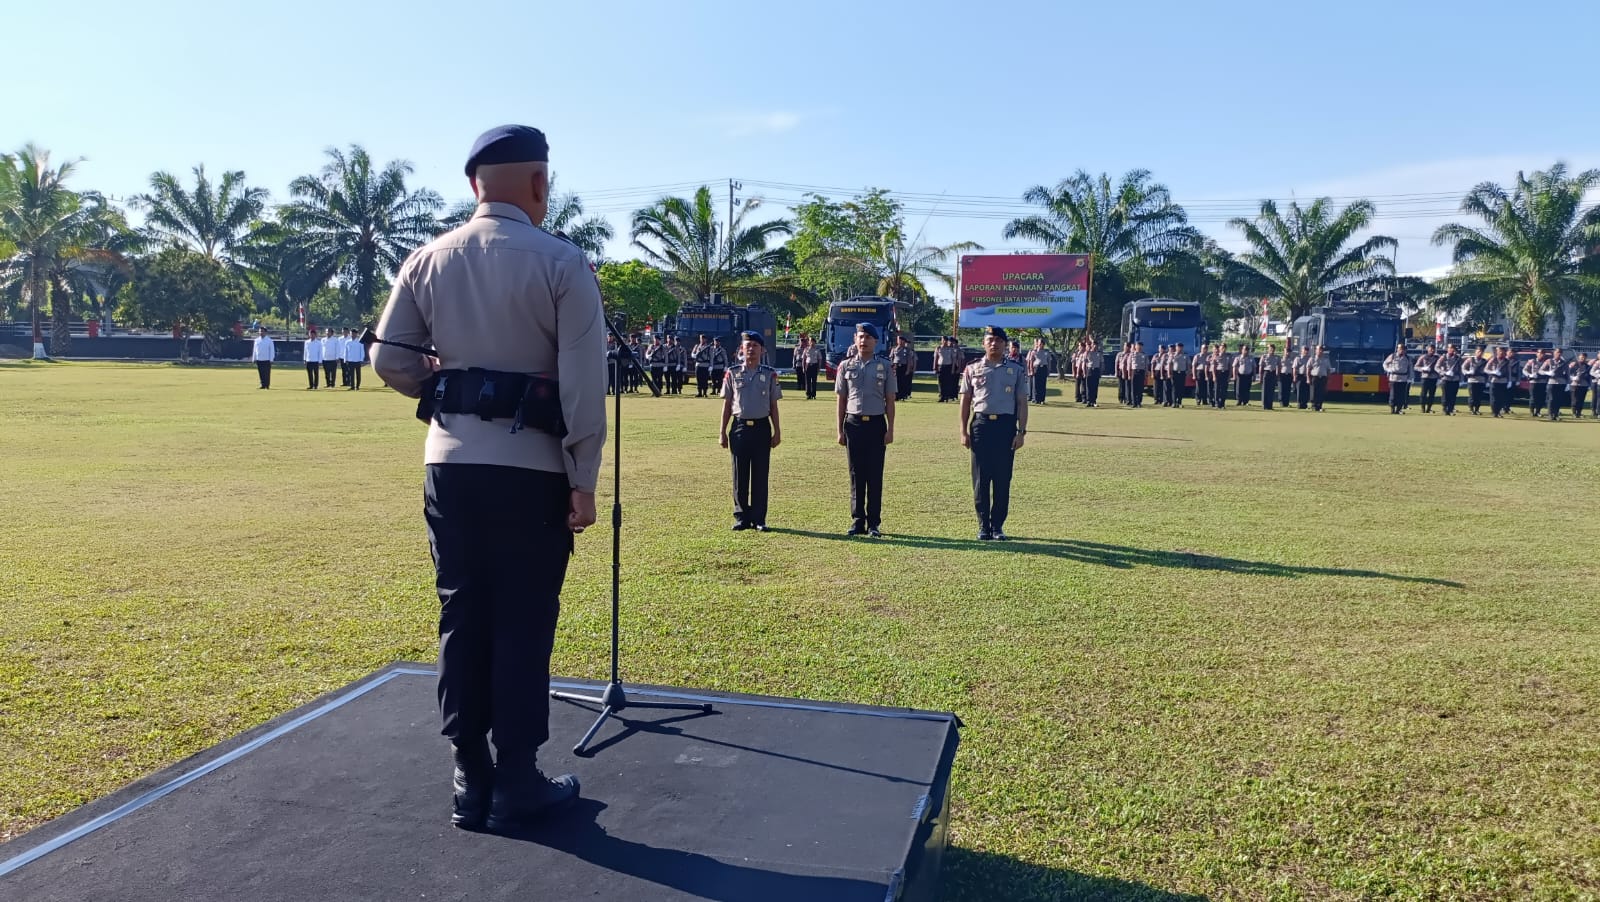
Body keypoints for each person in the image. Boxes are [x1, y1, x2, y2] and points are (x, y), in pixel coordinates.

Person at [369, 124, 605, 832]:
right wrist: (583, 478)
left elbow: (389, 358)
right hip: (531, 471)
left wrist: (447, 386)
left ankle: (468, 777)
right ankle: (518, 780)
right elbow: (582, 384)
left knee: (462, 613)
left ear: (474, 185)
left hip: (450, 466)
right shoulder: (562, 262)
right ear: (538, 183)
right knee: (524, 620)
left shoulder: (427, 258)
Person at [960, 325, 1027, 540]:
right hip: (981, 426)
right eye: (990, 339)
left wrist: (1021, 432)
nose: (994, 343)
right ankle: (983, 526)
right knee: (980, 477)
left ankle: (997, 526)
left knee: (1002, 477)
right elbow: (965, 401)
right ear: (983, 343)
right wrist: (963, 431)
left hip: (1005, 428)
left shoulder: (1016, 370)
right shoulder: (972, 368)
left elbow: (1022, 402)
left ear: (1005, 344)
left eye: (998, 340)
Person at [835, 322, 895, 537]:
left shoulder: (885, 366)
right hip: (853, 424)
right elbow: (841, 400)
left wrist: (890, 429)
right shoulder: (845, 366)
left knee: (874, 474)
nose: (864, 341)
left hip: (876, 425)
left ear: (876, 341)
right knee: (856, 473)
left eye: (868, 337)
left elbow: (890, 400)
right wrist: (839, 430)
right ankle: (858, 520)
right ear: (855, 339)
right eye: (861, 337)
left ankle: (874, 523)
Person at [720, 330, 782, 531]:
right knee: (740, 474)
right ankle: (741, 517)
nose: (752, 349)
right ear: (742, 349)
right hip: (739, 427)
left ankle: (759, 518)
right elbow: (727, 405)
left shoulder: (770, 374)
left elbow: (773, 405)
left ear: (762, 350)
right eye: (748, 345)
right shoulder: (732, 373)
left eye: (756, 346)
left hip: (762, 428)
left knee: (760, 474)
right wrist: (722, 432)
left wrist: (777, 431)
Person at [1383, 344, 1412, 414]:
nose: (1402, 351)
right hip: (1393, 378)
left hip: (1403, 379)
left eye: (1403, 349)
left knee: (1401, 395)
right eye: (1400, 349)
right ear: (1397, 349)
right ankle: (1392, 408)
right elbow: (1385, 364)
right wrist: (1388, 369)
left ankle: (1398, 409)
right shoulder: (1392, 356)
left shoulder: (1407, 358)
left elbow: (1410, 368)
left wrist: (1411, 378)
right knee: (1393, 395)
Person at [1541, 349, 1569, 421]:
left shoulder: (1564, 362)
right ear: (1554, 353)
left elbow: (1567, 373)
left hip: (1561, 383)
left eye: (1560, 353)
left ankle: (1556, 414)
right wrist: (1548, 373)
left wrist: (1568, 383)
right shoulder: (1549, 361)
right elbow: (1541, 370)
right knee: (1551, 399)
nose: (1559, 354)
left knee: (1558, 399)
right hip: (1552, 382)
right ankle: (1550, 414)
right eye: (1557, 352)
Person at [1436, 345, 1463, 416]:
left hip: (1455, 379)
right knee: (1445, 395)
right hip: (1446, 379)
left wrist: (1461, 379)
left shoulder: (1458, 358)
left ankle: (1451, 409)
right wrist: (1444, 372)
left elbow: (1460, 369)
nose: (1452, 350)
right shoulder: (1444, 357)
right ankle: (1445, 409)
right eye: (1450, 348)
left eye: (1453, 349)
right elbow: (1437, 367)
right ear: (1448, 349)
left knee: (1453, 396)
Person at [1026, 337, 1054, 404]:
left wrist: (1048, 370)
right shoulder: (1034, 352)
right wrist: (1031, 370)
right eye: (1039, 343)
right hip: (1036, 368)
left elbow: (1049, 362)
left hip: (1043, 368)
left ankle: (1042, 399)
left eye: (1041, 343)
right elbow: (1031, 361)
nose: (1040, 345)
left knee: (1043, 384)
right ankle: (1036, 399)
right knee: (1036, 384)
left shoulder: (1046, 352)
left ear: (1043, 344)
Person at [934, 336, 960, 402]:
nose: (944, 342)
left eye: (945, 340)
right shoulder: (938, 348)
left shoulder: (951, 349)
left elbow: (953, 360)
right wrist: (934, 367)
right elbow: (936, 358)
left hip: (948, 366)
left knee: (948, 382)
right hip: (941, 366)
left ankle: (947, 396)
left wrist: (953, 369)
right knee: (940, 382)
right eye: (943, 340)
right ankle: (942, 396)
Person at [1464, 347, 1488, 415]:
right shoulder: (1470, 359)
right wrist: (1468, 372)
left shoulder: (1484, 361)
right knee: (1472, 396)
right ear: (1475, 352)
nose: (1480, 353)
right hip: (1472, 380)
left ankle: (1477, 409)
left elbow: (1487, 370)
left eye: (1481, 352)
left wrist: (1487, 380)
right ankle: (1471, 409)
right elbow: (1463, 367)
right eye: (1478, 352)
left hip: (1481, 380)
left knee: (1479, 396)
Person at [1414, 344, 1438, 413]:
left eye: (1433, 349)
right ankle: (1423, 408)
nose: (1432, 351)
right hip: (1425, 377)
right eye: (1431, 349)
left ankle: (1429, 408)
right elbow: (1416, 367)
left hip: (1433, 377)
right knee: (1423, 393)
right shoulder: (1423, 357)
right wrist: (1423, 368)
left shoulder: (1437, 358)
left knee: (1432, 394)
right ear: (1428, 349)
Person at [892, 334, 917, 401]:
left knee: (903, 382)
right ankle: (896, 395)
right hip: (896, 366)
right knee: (896, 382)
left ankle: (902, 395)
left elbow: (909, 360)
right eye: (898, 340)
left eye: (901, 340)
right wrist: (892, 367)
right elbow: (892, 358)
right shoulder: (894, 349)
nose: (900, 342)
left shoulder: (907, 350)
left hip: (903, 366)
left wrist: (908, 369)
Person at [1081, 337, 1102, 407]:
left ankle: (1094, 401)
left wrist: (1101, 372)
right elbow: (1084, 363)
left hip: (1096, 370)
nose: (1095, 346)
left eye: (1096, 345)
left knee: (1095, 387)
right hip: (1089, 370)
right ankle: (1089, 401)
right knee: (1089, 386)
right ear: (1091, 345)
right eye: (1094, 344)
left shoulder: (1099, 353)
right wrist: (1084, 372)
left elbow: (1101, 363)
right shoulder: (1087, 353)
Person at [1259, 345, 1281, 410]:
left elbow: (1279, 366)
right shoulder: (1264, 356)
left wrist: (1277, 375)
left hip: (1273, 373)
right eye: (1270, 349)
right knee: (1265, 389)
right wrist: (1260, 377)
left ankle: (1270, 405)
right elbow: (1261, 367)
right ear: (1268, 349)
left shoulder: (1277, 357)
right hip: (1266, 373)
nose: (1272, 350)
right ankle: (1264, 405)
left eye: (1273, 349)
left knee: (1271, 390)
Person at [1569, 352, 1591, 418]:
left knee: (1581, 400)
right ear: (1579, 357)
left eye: (1584, 357)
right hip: (1574, 384)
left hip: (1584, 385)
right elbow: (1568, 373)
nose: (1582, 359)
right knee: (1574, 399)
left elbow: (1589, 376)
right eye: (1581, 357)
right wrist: (1574, 378)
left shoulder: (1587, 366)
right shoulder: (1574, 364)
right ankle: (1574, 413)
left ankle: (1579, 413)